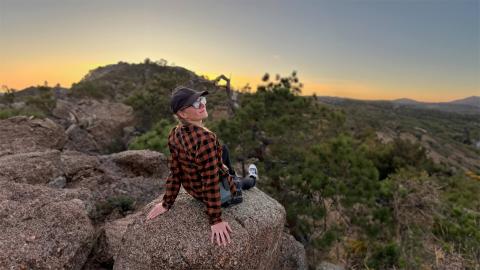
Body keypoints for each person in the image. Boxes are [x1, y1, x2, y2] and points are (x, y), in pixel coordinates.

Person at [146, 86, 258, 248]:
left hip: (195, 190)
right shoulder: (206, 138)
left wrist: (166, 203)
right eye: (196, 104)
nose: (202, 105)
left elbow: (175, 172)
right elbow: (210, 180)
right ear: (183, 114)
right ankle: (253, 177)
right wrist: (216, 220)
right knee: (242, 183)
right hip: (216, 195)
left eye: (202, 100)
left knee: (223, 148)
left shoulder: (175, 133)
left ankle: (230, 172)